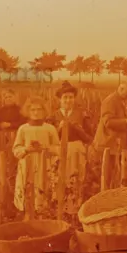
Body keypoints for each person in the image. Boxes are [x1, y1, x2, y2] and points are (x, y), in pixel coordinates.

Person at [47, 81, 94, 215]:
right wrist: (59, 128)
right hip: (58, 150)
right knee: (59, 176)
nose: (68, 100)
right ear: (60, 100)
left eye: (71, 97)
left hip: (76, 150)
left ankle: (75, 206)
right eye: (65, 97)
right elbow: (49, 138)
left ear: (74, 98)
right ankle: (59, 206)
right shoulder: (53, 116)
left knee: (76, 177)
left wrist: (78, 130)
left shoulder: (82, 114)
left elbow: (89, 137)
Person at [12, 96, 60, 214]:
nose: (36, 112)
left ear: (44, 111)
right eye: (33, 110)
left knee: (44, 188)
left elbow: (58, 148)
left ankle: (43, 213)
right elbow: (16, 149)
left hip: (44, 163)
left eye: (39, 109)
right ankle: (27, 212)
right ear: (28, 111)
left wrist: (46, 148)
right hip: (27, 162)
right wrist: (26, 149)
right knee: (27, 187)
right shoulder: (23, 129)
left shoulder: (50, 128)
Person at [93, 82, 127, 189]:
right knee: (107, 176)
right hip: (108, 144)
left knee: (116, 174)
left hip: (115, 145)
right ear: (121, 89)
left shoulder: (119, 101)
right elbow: (108, 123)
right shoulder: (110, 101)